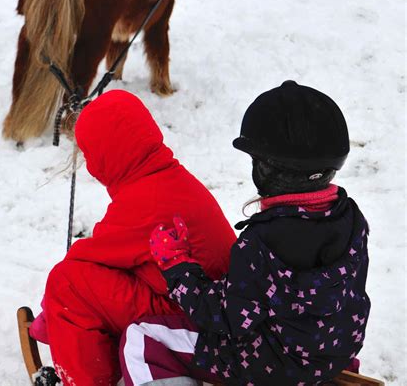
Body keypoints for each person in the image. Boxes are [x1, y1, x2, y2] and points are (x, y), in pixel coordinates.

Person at [119, 80, 371, 386]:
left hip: (273, 369)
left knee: (141, 339)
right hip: (332, 355)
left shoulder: (261, 242)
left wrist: (178, 268)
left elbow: (223, 317)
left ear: (264, 169)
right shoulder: (351, 218)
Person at [30, 90, 236, 386]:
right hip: (210, 310)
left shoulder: (145, 200)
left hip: (193, 324)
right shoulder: (169, 179)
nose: (90, 166)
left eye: (90, 155)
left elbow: (84, 264)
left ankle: (88, 379)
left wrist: (47, 324)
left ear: (106, 154)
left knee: (68, 282)